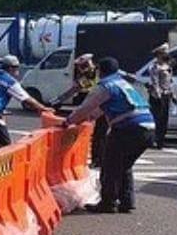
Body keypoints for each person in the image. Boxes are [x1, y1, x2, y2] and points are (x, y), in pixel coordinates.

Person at [63, 57, 155, 213]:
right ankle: (126, 202)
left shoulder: (104, 86)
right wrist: (90, 117)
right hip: (148, 128)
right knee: (125, 165)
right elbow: (99, 110)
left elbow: (85, 108)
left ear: (100, 70)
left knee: (110, 165)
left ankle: (108, 203)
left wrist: (68, 122)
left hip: (128, 128)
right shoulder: (123, 83)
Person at [0, 55, 52, 154]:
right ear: (10, 68)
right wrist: (43, 108)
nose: (17, 73)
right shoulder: (9, 81)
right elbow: (26, 99)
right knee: (5, 148)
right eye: (16, 69)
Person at [146, 43, 175, 149]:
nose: (167, 54)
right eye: (165, 52)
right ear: (159, 54)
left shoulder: (168, 66)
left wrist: (173, 94)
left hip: (166, 94)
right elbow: (155, 81)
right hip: (157, 96)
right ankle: (153, 140)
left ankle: (161, 140)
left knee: (164, 119)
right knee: (156, 118)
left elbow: (170, 82)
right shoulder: (155, 67)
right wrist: (158, 95)